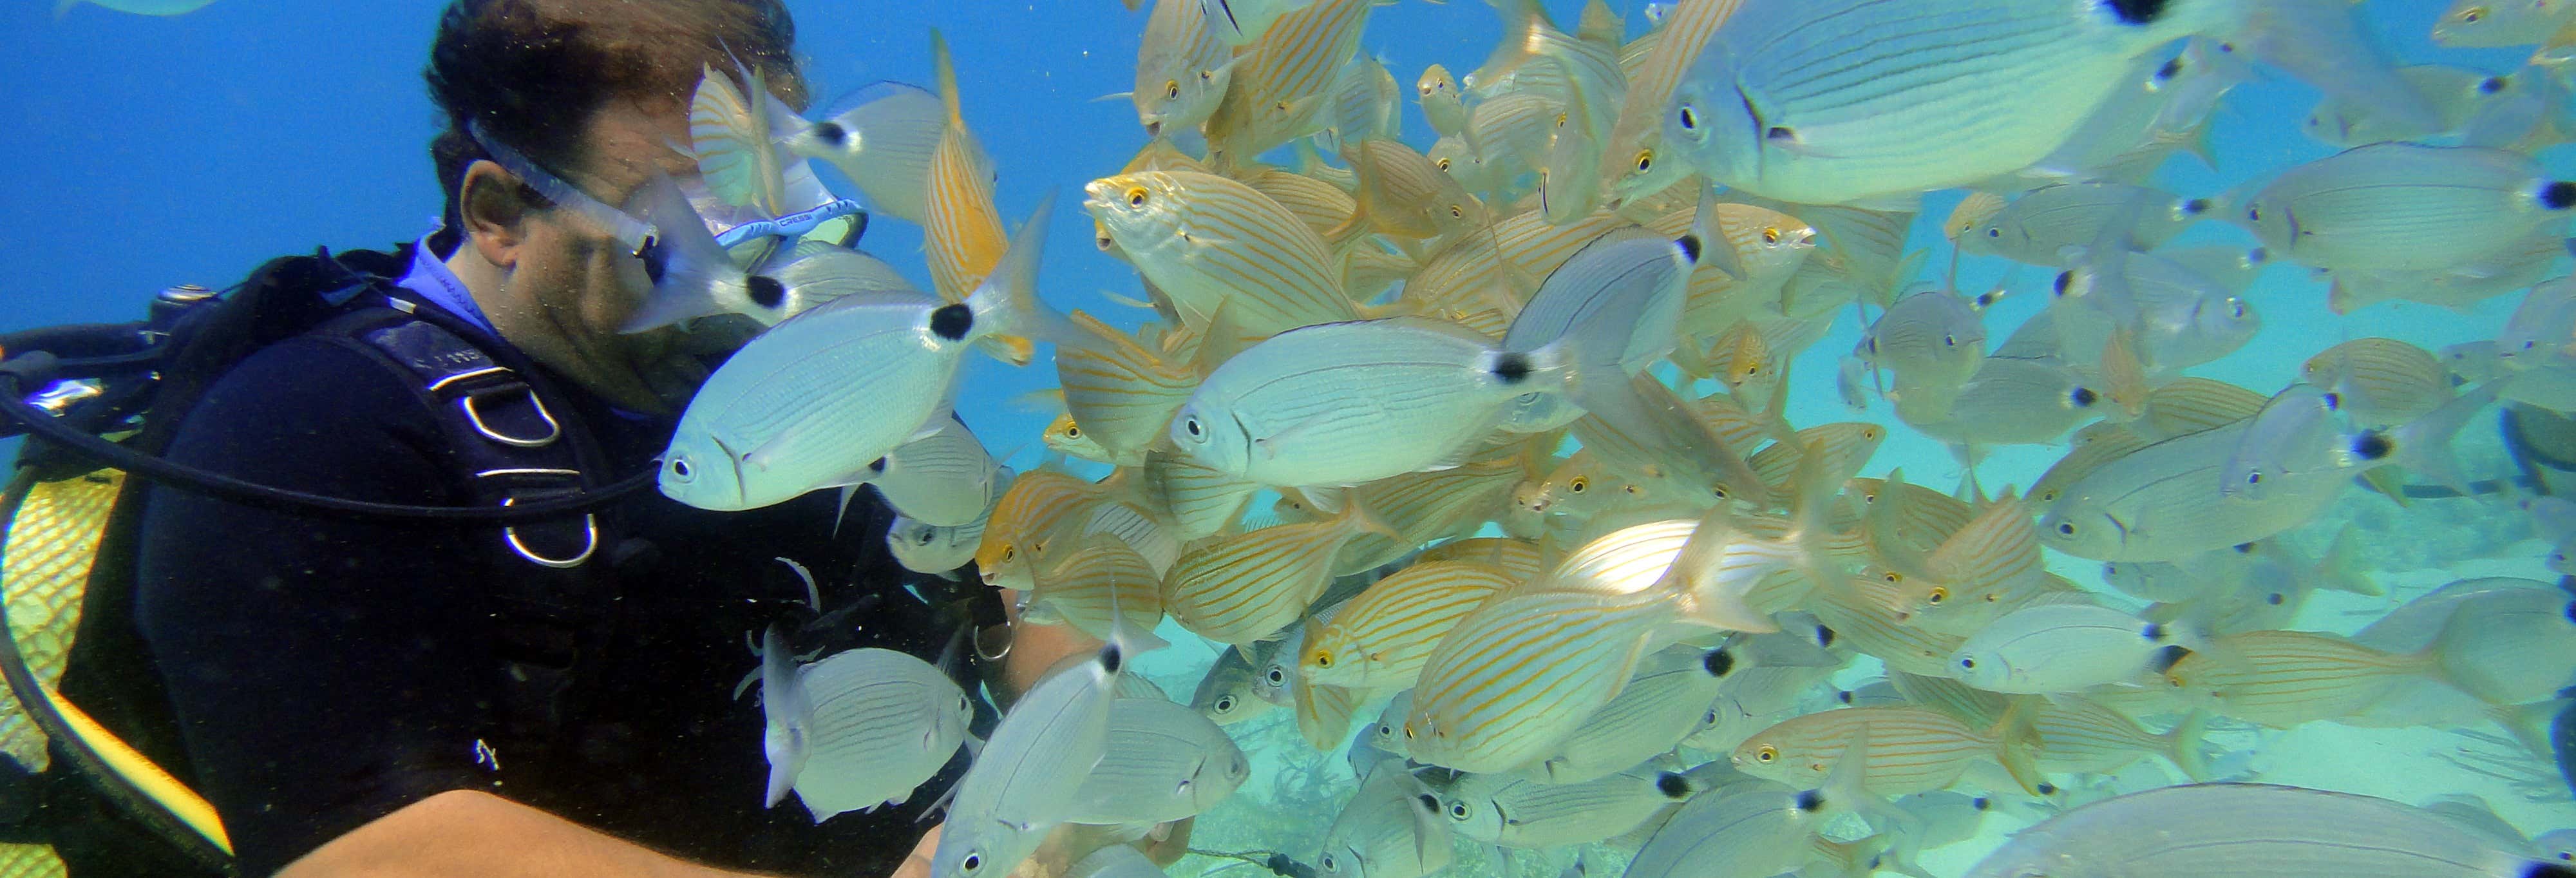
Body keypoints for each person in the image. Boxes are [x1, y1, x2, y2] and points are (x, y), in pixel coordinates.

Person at [52, 1, 1090, 875]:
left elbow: (1015, 566)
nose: (754, 296)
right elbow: (369, 847)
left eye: (792, 226)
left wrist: (1071, 778)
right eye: (691, 240)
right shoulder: (304, 440)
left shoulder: (807, 359)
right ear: (500, 211)